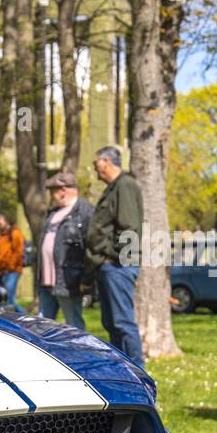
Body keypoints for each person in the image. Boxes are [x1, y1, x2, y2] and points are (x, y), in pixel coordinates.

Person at [84, 145, 145, 367]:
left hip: (118, 267)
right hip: (109, 266)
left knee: (122, 322)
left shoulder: (125, 186)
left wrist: (111, 256)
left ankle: (138, 375)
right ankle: (123, 373)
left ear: (107, 161)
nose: (95, 169)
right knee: (111, 322)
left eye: (96, 164)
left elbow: (128, 228)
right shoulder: (114, 187)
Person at [34, 171, 94, 329]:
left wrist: (86, 279)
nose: (51, 196)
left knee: (74, 325)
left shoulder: (86, 213)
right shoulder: (52, 213)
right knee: (42, 326)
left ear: (63, 191)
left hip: (69, 281)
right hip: (46, 281)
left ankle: (80, 353)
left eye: (52, 191)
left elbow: (92, 248)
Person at [0, 213, 24, 309]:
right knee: (5, 300)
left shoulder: (15, 232)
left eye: (0, 220)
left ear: (6, 221)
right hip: (1, 271)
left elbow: (18, 251)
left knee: (9, 299)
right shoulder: (0, 235)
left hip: (12, 271)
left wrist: (10, 267)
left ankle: (25, 317)